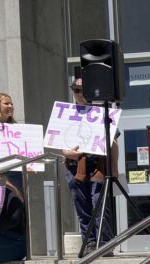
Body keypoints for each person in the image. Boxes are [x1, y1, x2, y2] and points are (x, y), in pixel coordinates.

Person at [61, 78, 115, 253]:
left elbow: (113, 142)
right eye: (76, 90)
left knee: (99, 204)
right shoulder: (65, 113)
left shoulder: (102, 112)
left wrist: (114, 167)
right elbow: (60, 142)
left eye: (83, 90)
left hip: (98, 165)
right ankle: (89, 242)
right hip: (75, 167)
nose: (80, 94)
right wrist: (67, 153)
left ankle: (105, 242)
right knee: (82, 206)